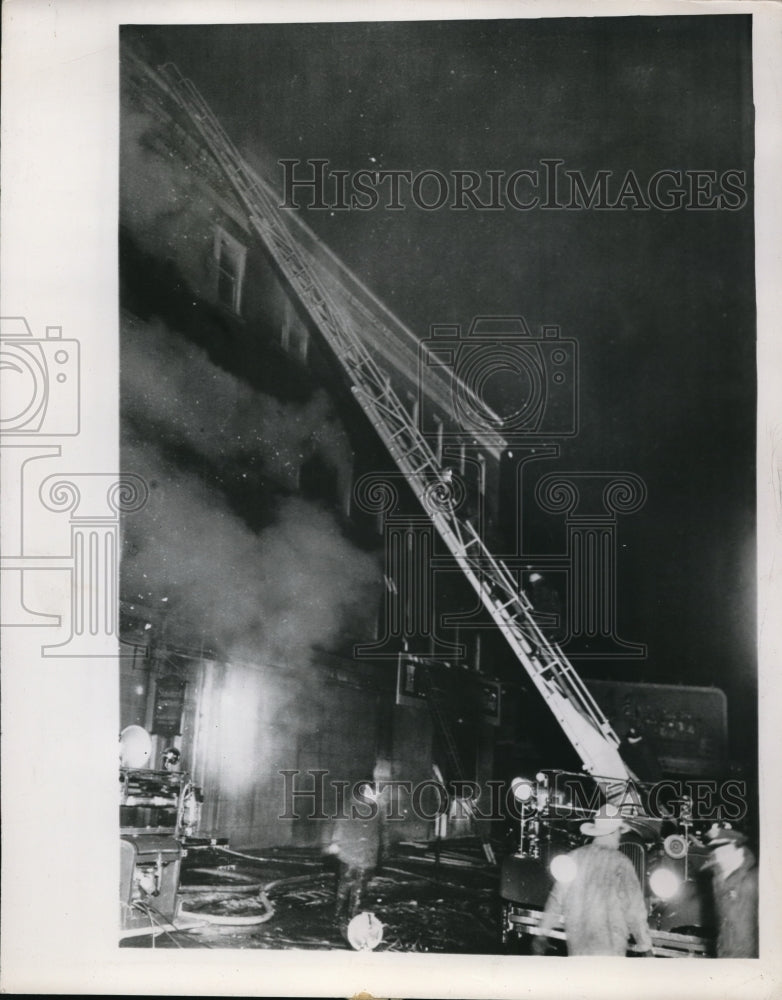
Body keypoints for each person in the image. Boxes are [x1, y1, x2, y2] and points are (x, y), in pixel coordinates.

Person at [533, 803, 653, 956]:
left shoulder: (574, 858)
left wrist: (542, 934)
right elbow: (634, 908)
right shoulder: (622, 863)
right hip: (610, 949)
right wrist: (645, 946)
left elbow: (556, 898)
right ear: (613, 832)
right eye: (618, 832)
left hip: (578, 946)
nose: (619, 837)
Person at [327, 780, 384, 941]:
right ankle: (337, 916)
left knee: (359, 890)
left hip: (367, 856)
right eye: (374, 793)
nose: (376, 796)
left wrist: (381, 852)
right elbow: (340, 823)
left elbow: (381, 831)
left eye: (377, 794)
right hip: (350, 854)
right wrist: (335, 842)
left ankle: (353, 920)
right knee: (345, 885)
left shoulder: (378, 809)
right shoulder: (351, 806)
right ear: (365, 791)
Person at [704, 824, 758, 958]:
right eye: (717, 853)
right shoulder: (719, 879)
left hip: (747, 957)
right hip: (725, 954)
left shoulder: (753, 880)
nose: (719, 858)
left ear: (739, 852)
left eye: (724, 852)